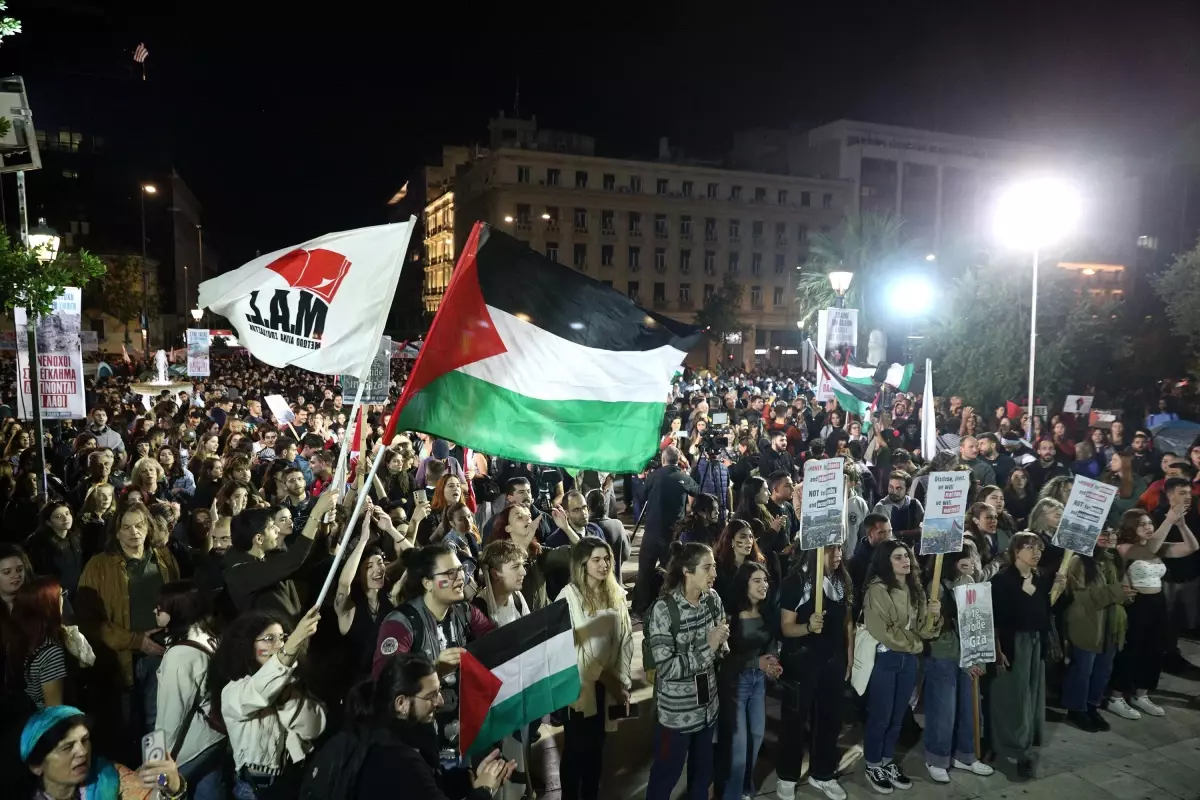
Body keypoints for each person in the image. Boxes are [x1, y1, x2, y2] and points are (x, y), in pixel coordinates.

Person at [302, 652, 516, 800]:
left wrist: (470, 778)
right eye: (431, 695)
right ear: (402, 703)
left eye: (439, 691)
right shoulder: (394, 756)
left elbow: (426, 786)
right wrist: (484, 790)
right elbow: (415, 780)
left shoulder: (383, 732)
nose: (440, 701)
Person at [372, 545, 496, 763]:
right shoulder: (401, 623)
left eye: (461, 570)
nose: (461, 578)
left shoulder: (464, 611)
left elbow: (497, 640)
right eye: (450, 573)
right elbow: (385, 681)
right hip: (420, 748)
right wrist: (435, 669)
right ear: (427, 583)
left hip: (464, 737)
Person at [75, 500, 181, 753]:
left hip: (161, 657)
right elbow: (88, 620)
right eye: (126, 527)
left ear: (149, 527)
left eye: (139, 525)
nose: (134, 532)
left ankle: (156, 781)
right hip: (119, 663)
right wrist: (136, 640)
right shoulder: (98, 565)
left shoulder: (164, 558)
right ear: (116, 531)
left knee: (158, 727)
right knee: (123, 730)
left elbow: (180, 601)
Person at [211, 608, 326, 799]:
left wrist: (288, 697)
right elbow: (260, 691)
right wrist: (294, 642)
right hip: (253, 791)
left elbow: (313, 729)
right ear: (247, 645)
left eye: (283, 637)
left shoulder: (294, 684)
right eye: (269, 639)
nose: (280, 645)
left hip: (292, 784)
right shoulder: (234, 690)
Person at [644, 542, 726, 800]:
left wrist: (722, 643)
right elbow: (666, 668)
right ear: (687, 571)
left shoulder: (713, 600)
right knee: (665, 776)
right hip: (677, 718)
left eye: (714, 566)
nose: (714, 574)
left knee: (702, 777)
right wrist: (708, 646)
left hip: (708, 710)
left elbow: (720, 646)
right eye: (707, 567)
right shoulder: (664, 610)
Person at [555, 538, 633, 800]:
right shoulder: (568, 597)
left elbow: (625, 639)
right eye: (596, 559)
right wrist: (605, 677)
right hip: (579, 687)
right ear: (582, 563)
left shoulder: (615, 593)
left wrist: (621, 679)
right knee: (576, 749)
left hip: (608, 685)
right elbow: (572, 646)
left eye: (607, 559)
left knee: (597, 749)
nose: (604, 565)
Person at [861, 540, 940, 794]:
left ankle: (887, 761)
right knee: (881, 716)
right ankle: (873, 763)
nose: (905, 560)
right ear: (886, 561)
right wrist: (914, 642)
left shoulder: (915, 587)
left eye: (906, 556)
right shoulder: (877, 589)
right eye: (897, 557)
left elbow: (925, 631)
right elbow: (882, 630)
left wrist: (934, 615)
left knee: (897, 717)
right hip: (886, 659)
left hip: (908, 659)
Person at [774, 545, 852, 800]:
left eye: (840, 547)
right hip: (801, 661)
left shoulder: (842, 581)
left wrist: (849, 659)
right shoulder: (795, 582)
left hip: (833, 660)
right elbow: (786, 627)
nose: (838, 553)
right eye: (832, 549)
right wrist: (807, 626)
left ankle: (822, 774)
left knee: (830, 720)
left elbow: (847, 623)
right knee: (795, 720)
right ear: (816, 551)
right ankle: (787, 776)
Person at [1109, 507, 1199, 719]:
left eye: (1150, 523)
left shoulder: (1155, 547)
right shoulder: (1124, 547)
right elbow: (1147, 550)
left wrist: (1181, 525)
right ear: (1131, 527)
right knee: (1131, 651)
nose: (1148, 527)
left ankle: (1142, 694)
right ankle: (1116, 697)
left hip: (1158, 603)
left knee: (1155, 650)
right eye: (1142, 524)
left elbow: (1192, 546)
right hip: (1136, 604)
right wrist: (1168, 520)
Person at [989, 533, 1066, 779]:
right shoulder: (1002, 580)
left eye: (1039, 548)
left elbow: (1045, 610)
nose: (1036, 553)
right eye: (1030, 548)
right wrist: (999, 649)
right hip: (1014, 644)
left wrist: (1059, 590)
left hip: (1035, 642)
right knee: (1014, 694)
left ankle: (1026, 741)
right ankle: (1011, 746)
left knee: (1031, 692)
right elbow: (997, 618)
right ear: (1015, 551)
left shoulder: (1040, 577)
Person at [921, 548, 993, 784]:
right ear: (950, 560)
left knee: (969, 708)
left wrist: (978, 657)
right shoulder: (935, 587)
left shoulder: (970, 583)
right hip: (944, 655)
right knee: (943, 711)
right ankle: (937, 758)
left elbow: (978, 621)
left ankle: (966, 754)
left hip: (969, 654)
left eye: (972, 557)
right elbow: (929, 628)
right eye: (963, 557)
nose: (970, 562)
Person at [153, 580, 226, 800]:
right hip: (216, 736)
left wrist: (157, 761)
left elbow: (171, 716)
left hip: (194, 744)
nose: (155, 610)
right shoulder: (208, 636)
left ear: (178, 610)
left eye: (161, 607)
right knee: (209, 786)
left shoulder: (179, 656)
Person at [18, 705, 186, 799]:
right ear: (37, 765)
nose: (82, 751)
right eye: (67, 747)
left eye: (85, 740)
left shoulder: (110, 777)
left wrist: (173, 788)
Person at [223, 491, 338, 623]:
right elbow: (293, 558)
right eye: (272, 527)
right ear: (259, 539)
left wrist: (324, 527)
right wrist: (316, 514)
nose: (277, 530)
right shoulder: (240, 573)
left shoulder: (269, 557)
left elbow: (307, 561)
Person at [716, 561, 779, 800]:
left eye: (765, 580)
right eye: (757, 581)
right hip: (735, 685)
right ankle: (731, 793)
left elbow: (770, 642)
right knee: (738, 747)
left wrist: (773, 662)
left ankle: (744, 785)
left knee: (756, 736)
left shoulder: (766, 611)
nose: (764, 585)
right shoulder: (731, 617)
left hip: (758, 683)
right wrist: (757, 663)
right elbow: (726, 658)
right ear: (745, 584)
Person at [1062, 528, 1132, 732]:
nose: (1109, 537)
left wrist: (1127, 593)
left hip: (1110, 625)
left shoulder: (1113, 559)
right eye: (1103, 533)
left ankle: (1092, 706)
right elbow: (1083, 597)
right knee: (1083, 670)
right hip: (1087, 624)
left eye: (1112, 533)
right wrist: (1117, 592)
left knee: (1103, 670)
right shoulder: (1078, 561)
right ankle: (1076, 710)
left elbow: (1123, 587)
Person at [634, 446, 699, 616]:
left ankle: (639, 608)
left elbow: (640, 496)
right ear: (678, 460)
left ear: (663, 459)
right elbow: (696, 490)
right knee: (670, 571)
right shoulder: (683, 477)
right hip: (673, 533)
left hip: (652, 530)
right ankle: (668, 607)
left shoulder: (654, 476)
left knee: (645, 570)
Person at [25, 502, 84, 600]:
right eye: (58, 516)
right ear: (48, 522)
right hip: (55, 596)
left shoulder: (75, 538)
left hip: (75, 593)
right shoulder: (40, 544)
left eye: (67, 513)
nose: (65, 518)